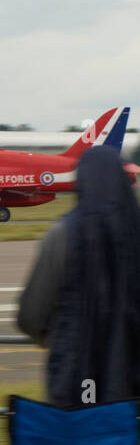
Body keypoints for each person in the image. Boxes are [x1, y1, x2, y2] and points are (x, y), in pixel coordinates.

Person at [18, 146, 140, 407]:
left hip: (73, 388)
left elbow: (30, 317)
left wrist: (62, 337)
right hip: (132, 392)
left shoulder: (62, 235)